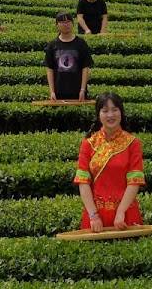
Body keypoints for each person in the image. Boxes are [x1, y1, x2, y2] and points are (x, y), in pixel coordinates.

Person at [73, 92, 146, 231]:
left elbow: (134, 181)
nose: (110, 115)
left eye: (114, 110)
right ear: (98, 114)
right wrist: (93, 215)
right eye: (105, 111)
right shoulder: (88, 144)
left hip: (125, 215)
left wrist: (121, 212)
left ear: (121, 112)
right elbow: (83, 182)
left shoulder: (133, 143)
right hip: (95, 217)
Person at [46, 12, 93, 101]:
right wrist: (52, 91)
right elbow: (50, 69)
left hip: (78, 92)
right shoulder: (52, 45)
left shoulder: (81, 43)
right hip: (59, 92)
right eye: (62, 22)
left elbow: (85, 68)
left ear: (72, 24)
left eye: (68, 22)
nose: (66, 24)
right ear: (57, 25)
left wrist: (82, 90)